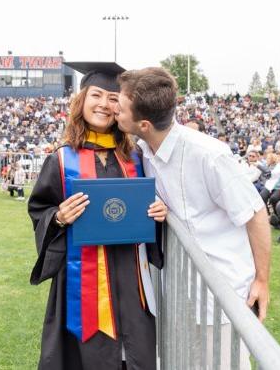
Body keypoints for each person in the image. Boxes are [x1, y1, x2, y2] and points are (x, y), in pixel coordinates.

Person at [115, 67, 271, 370]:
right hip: (182, 288)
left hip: (224, 293)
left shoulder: (209, 155)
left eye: (120, 108)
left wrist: (263, 280)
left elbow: (255, 214)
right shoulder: (144, 150)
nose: (114, 111)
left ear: (144, 124)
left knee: (224, 363)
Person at [28, 62, 167, 370]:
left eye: (113, 97)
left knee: (135, 355)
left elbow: (154, 205)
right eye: (97, 95)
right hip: (82, 281)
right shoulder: (61, 160)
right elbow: (40, 210)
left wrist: (159, 212)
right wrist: (59, 216)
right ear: (82, 100)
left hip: (131, 276)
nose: (104, 104)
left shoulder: (137, 157)